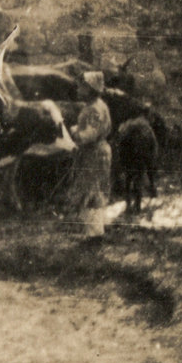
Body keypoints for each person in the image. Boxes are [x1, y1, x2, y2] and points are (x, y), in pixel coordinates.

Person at [67, 71, 113, 238]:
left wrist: (74, 132)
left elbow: (90, 135)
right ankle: (94, 230)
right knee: (94, 189)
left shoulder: (93, 109)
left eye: (82, 87)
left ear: (91, 89)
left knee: (91, 190)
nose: (78, 90)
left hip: (93, 153)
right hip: (96, 151)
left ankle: (94, 233)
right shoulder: (98, 105)